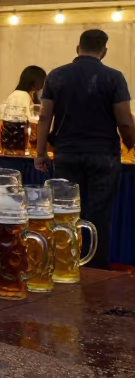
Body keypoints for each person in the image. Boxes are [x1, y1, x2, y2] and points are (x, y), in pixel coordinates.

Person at [35, 29, 135, 270]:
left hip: (66, 154)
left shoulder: (56, 76)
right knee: (98, 213)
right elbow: (124, 121)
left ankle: (64, 263)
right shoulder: (114, 77)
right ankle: (95, 268)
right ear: (104, 51)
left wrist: (40, 153)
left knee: (65, 212)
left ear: (77, 48)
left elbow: (45, 116)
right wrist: (131, 144)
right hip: (104, 156)